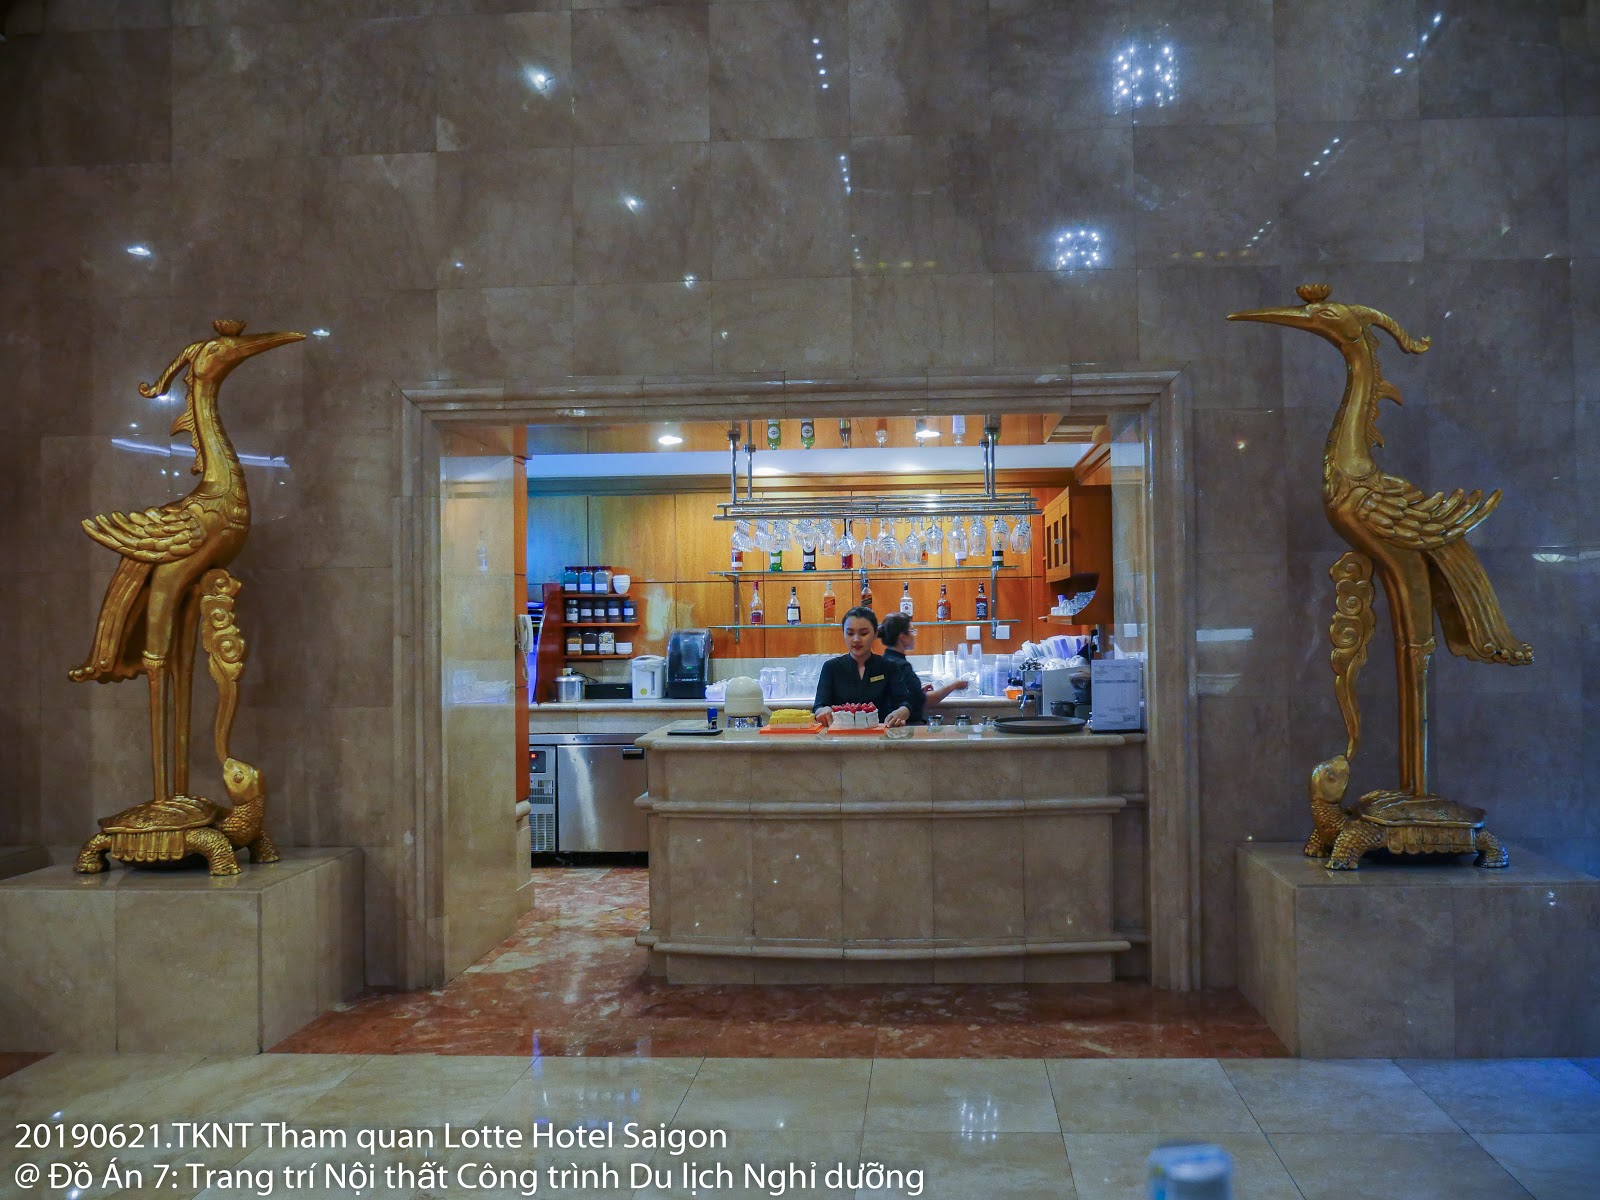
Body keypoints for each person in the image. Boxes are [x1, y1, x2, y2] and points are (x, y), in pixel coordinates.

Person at [812, 607, 912, 728]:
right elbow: (819, 706)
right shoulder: (831, 667)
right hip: (841, 735)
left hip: (882, 734)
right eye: (850, 633)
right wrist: (824, 710)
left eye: (864, 633)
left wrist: (901, 713)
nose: (856, 639)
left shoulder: (889, 666)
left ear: (875, 634)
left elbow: (905, 703)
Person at [876, 611, 969, 725]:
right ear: (903, 637)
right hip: (905, 727)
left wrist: (916, 691)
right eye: (912, 631)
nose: (914, 635)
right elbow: (926, 701)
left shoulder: (884, 661)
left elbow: (899, 695)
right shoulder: (902, 666)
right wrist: (954, 685)